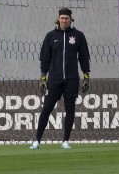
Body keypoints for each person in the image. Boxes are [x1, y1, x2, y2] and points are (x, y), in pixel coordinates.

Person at [30, 8, 91, 149]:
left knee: (70, 109)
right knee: (46, 109)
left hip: (71, 79)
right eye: (62, 18)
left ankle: (65, 141)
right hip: (54, 79)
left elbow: (84, 57)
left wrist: (86, 77)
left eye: (66, 18)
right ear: (58, 19)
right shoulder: (50, 36)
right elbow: (45, 59)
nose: (64, 20)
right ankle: (37, 141)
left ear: (71, 20)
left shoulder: (78, 36)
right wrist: (43, 78)